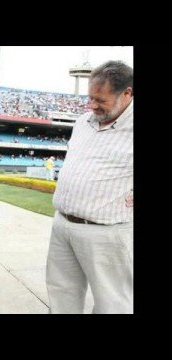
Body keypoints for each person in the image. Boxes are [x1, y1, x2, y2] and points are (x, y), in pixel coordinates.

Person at [46, 60, 133, 314]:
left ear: (127, 93)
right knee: (61, 295)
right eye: (90, 97)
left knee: (112, 303)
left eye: (101, 100)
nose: (92, 105)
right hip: (63, 224)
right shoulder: (83, 121)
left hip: (107, 231)